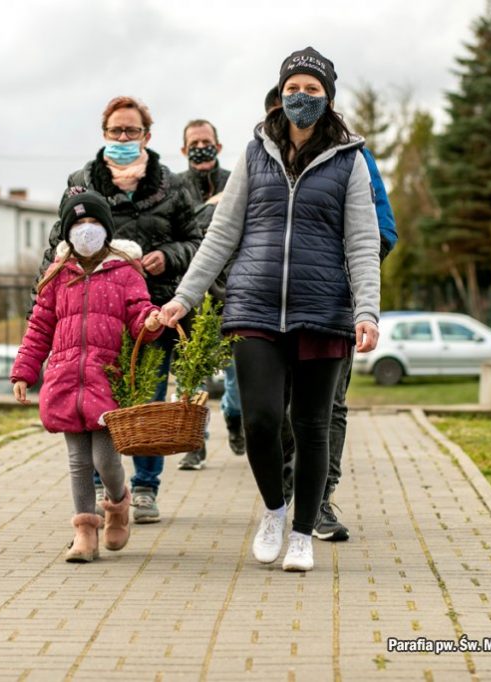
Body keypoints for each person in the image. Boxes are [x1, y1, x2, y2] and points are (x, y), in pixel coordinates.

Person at [160, 47, 381, 572]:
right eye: (293, 88)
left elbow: (363, 241)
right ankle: (274, 511)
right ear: (279, 93)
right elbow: (221, 235)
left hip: (322, 308)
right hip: (254, 306)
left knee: (311, 426)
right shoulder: (255, 153)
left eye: (312, 90)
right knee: (260, 420)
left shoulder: (349, 159)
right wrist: (183, 297)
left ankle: (302, 533)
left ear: (327, 99)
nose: (300, 97)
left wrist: (366, 311)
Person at [34, 96, 201, 524]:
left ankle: (144, 487)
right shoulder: (82, 180)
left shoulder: (173, 184)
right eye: (115, 131)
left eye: (131, 131)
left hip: (151, 310)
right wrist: (42, 297)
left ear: (147, 135)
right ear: (104, 134)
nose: (123, 138)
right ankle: (98, 485)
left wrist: (168, 255)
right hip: (90, 310)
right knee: (90, 398)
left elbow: (198, 241)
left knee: (146, 396)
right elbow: (60, 243)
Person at [12, 189, 164, 562]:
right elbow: (39, 327)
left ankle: (117, 504)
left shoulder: (125, 271)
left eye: (94, 222)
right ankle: (84, 531)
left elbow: (138, 312)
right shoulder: (56, 276)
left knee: (105, 459)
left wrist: (151, 320)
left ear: (107, 230)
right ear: (67, 232)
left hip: (106, 378)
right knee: (78, 460)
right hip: (64, 380)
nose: (86, 230)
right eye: (78, 224)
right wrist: (24, 371)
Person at [277, 92, 399, 543]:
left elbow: (382, 226)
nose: (296, 108)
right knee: (281, 403)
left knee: (331, 406)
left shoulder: (353, 157)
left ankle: (321, 498)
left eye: (309, 94)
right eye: (286, 99)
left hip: (332, 304)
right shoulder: (266, 156)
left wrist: (351, 267)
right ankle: (285, 490)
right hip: (275, 307)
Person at [175, 119, 244, 469]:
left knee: (235, 377)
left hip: (229, 293)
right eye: (194, 143)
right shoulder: (174, 189)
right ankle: (194, 444)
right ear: (184, 150)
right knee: (191, 376)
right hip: (189, 297)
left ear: (218, 146)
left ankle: (234, 420)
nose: (201, 148)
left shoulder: (236, 181)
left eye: (207, 141)